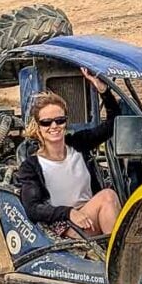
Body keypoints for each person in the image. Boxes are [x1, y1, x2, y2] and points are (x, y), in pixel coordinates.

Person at [17, 68, 122, 237]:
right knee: (108, 196)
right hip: (64, 225)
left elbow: (113, 124)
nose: (54, 127)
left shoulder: (79, 144)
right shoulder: (31, 166)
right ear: (38, 127)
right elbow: (33, 208)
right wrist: (68, 212)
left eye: (60, 120)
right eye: (46, 123)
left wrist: (103, 90)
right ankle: (119, 258)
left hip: (92, 214)